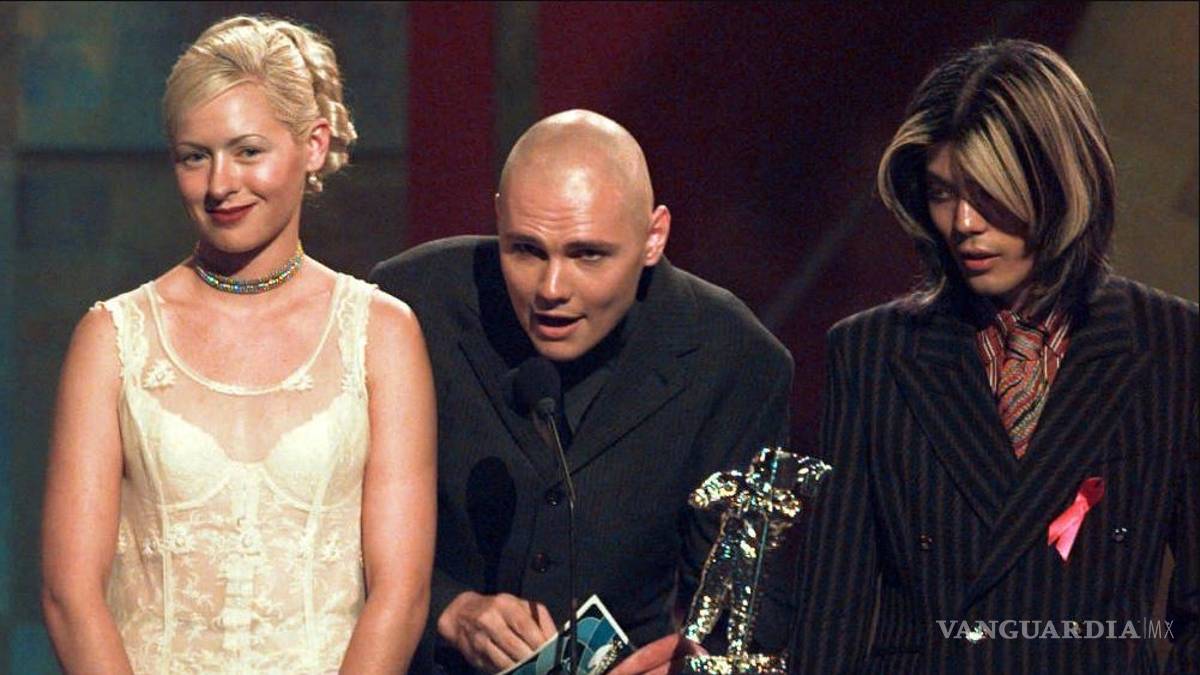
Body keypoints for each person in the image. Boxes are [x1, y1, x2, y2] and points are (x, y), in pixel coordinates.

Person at [40, 15, 436, 674]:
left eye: (248, 151)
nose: (220, 184)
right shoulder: (112, 338)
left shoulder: (381, 334)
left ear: (313, 145)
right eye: (194, 156)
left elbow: (401, 593)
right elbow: (68, 596)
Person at [790, 39, 1197, 673]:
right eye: (941, 192)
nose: (963, 223)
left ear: (1062, 183)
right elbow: (829, 620)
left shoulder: (1171, 346)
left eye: (987, 192)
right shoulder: (871, 353)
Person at [370, 109, 794, 674]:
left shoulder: (735, 358)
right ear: (498, 218)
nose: (551, 289)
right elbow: (315, 524)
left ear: (653, 237)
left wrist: (685, 667)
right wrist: (448, 608)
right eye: (526, 250)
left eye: (587, 254)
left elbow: (744, 612)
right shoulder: (408, 305)